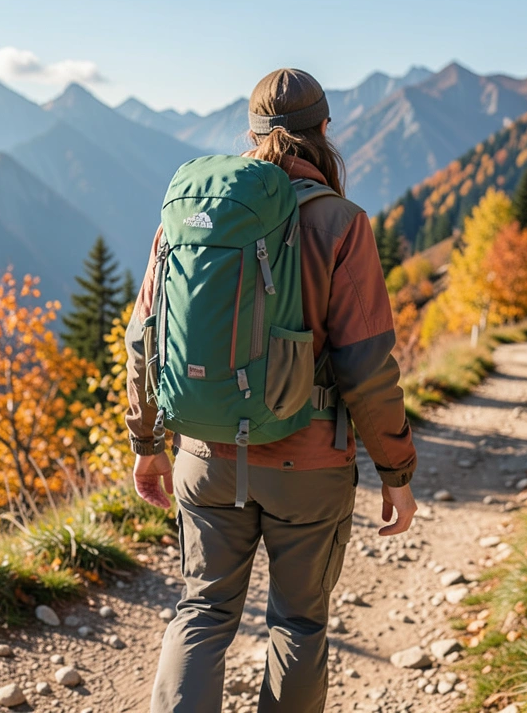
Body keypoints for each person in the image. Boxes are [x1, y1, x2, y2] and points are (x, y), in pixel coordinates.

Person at [124, 68, 418, 713]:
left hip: (206, 452)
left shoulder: (190, 214)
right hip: (308, 463)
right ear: (325, 131)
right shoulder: (342, 222)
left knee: (200, 610)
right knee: (299, 623)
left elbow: (144, 337)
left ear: (252, 130)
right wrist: (396, 469)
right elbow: (367, 369)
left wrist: (148, 442)